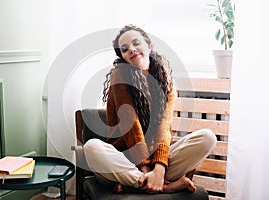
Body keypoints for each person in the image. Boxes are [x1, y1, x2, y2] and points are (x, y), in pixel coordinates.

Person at [83, 24, 217, 194]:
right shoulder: (120, 75)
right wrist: (146, 171)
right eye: (125, 49)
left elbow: (164, 129)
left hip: (155, 161)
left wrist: (159, 170)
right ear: (123, 57)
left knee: (207, 138)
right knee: (92, 148)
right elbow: (130, 126)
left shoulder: (166, 81)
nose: (131, 50)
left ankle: (136, 185)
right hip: (122, 160)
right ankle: (165, 187)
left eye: (136, 43)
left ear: (148, 44)